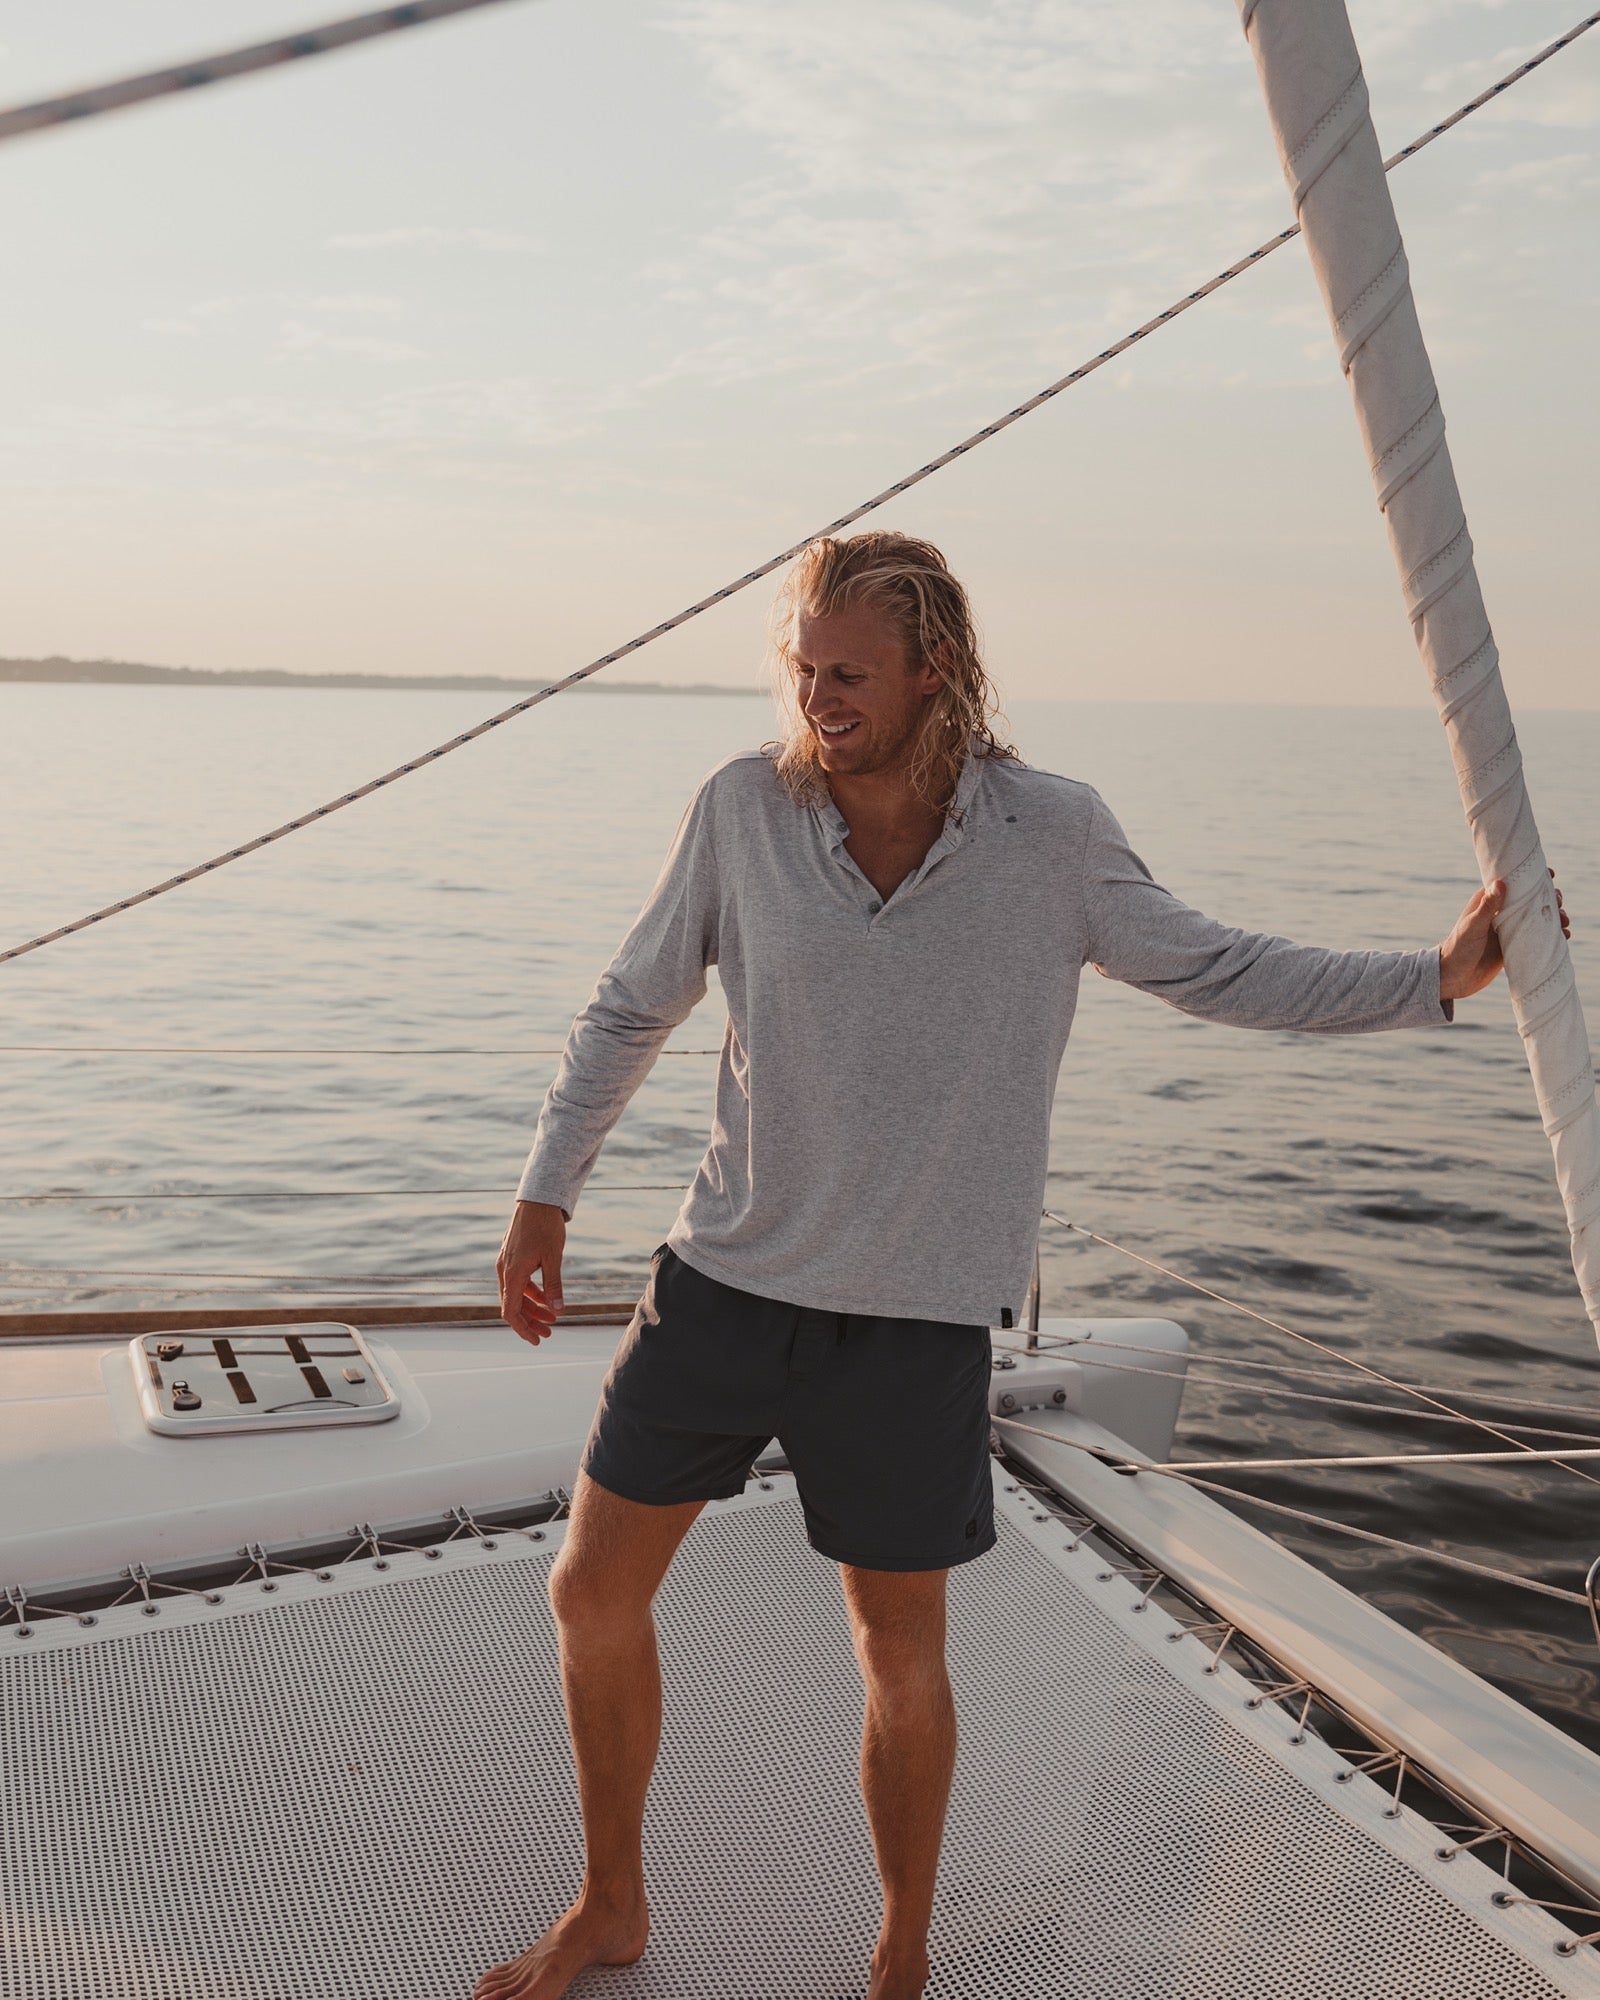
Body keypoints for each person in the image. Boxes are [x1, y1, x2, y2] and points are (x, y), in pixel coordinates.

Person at [474, 530, 1566, 2000]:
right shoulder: (741, 811)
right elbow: (626, 1011)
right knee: (590, 1592)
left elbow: (1218, 969)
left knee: (900, 1652)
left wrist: (1433, 981)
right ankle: (613, 1906)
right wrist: (546, 1197)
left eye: (850, 673)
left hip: (916, 1324)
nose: (818, 698)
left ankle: (904, 1956)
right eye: (803, 670)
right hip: (724, 1282)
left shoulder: (1052, 836)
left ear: (939, 670)